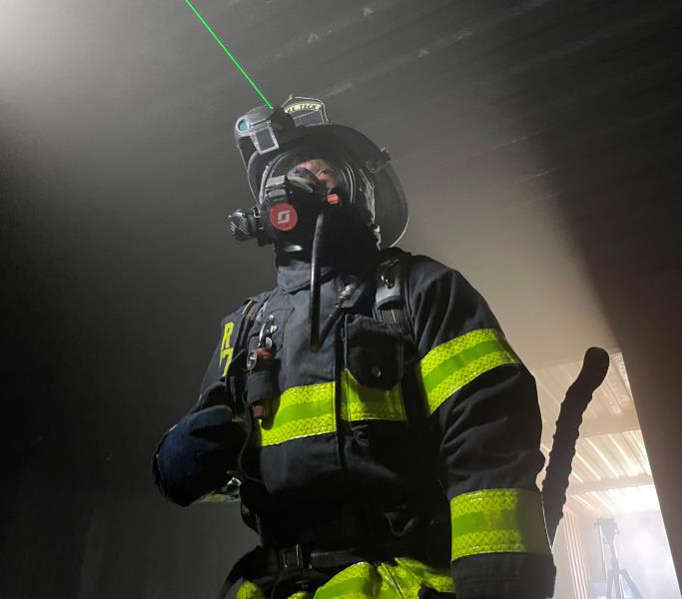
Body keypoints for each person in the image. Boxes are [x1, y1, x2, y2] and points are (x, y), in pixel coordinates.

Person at [152, 97, 556, 599]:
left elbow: (489, 440)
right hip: (273, 585)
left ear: (359, 192)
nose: (302, 181)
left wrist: (499, 588)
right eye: (286, 173)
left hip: (398, 583)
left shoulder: (419, 290)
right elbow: (200, 472)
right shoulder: (247, 325)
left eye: (322, 171)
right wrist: (180, 458)